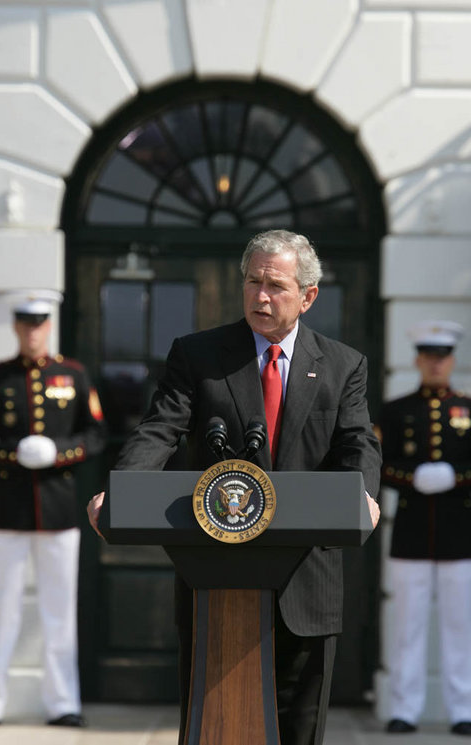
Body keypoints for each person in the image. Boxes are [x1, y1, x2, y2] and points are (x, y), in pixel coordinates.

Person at [88, 229, 381, 745]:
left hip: (304, 580)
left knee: (298, 729)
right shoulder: (199, 356)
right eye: (252, 282)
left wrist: (366, 498)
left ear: (308, 296)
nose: (261, 297)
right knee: (212, 725)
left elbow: (358, 443)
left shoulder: (342, 365)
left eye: (276, 286)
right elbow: (160, 430)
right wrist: (125, 491)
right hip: (216, 575)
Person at [0, 290, 106, 728]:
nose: (33, 331)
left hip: (58, 509)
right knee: (1, 608)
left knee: (59, 609)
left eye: (40, 323)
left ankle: (62, 703)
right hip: (9, 510)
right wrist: (14, 457)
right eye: (25, 323)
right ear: (15, 327)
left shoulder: (73, 374)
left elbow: (96, 435)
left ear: (49, 326)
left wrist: (58, 452)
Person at [376, 321, 471, 737]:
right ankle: (405, 709)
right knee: (408, 624)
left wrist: (456, 476)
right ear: (418, 360)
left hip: (459, 531)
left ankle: (465, 711)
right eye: (428, 356)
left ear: (452, 361)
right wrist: (411, 477)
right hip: (409, 531)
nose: (435, 364)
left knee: (461, 624)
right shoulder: (396, 410)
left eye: (442, 357)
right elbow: (379, 466)